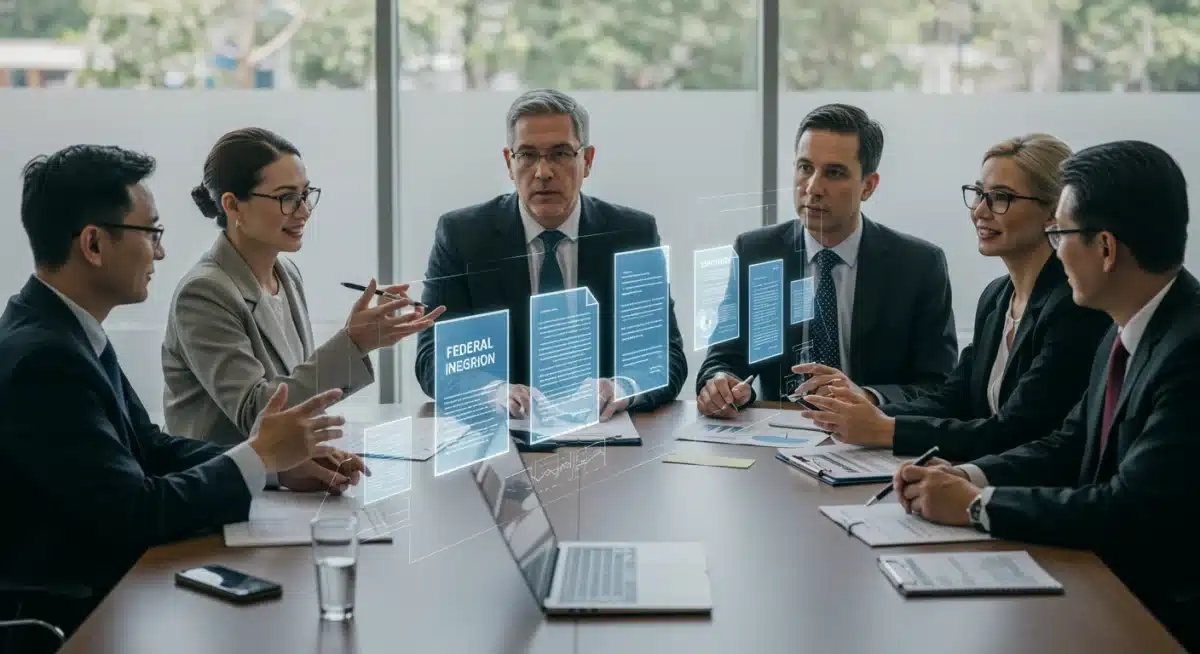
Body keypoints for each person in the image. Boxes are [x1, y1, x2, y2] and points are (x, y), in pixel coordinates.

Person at [0, 145, 366, 651]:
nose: (161, 252)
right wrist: (259, 457)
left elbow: (148, 447)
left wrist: (277, 469)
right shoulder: (43, 359)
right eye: (151, 234)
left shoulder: (62, 331)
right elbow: (136, 512)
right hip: (79, 618)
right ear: (92, 244)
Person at [895, 140, 1200, 650]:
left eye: (1060, 233)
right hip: (1099, 582)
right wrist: (968, 475)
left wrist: (976, 506)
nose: (1055, 250)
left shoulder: (1189, 353)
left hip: (1157, 617)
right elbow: (1066, 443)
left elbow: (1126, 509)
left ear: (1105, 248)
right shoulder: (1124, 329)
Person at [798, 134, 1111, 461]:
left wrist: (884, 428)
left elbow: (1017, 431)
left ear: (1053, 212)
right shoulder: (997, 298)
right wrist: (862, 406)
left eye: (1000, 197)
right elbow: (954, 400)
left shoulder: (1073, 306)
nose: (979, 211)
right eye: (979, 194)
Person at [163, 128, 445, 446]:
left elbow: (298, 397)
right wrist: (353, 344)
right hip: (225, 486)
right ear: (233, 206)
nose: (304, 211)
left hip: (281, 477)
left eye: (305, 195)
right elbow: (258, 414)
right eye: (286, 198)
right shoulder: (204, 293)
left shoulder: (286, 274)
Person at [415, 89, 687, 419]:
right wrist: (495, 392)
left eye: (560, 154)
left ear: (586, 161)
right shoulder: (463, 236)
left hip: (604, 434)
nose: (543, 172)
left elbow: (665, 355)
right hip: (505, 437)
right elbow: (434, 358)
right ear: (509, 162)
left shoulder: (633, 234)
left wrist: (622, 388)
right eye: (528, 155)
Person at [695, 103, 958, 417]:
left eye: (834, 173)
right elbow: (723, 358)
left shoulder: (918, 265)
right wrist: (721, 383)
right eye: (805, 167)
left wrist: (869, 398)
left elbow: (939, 384)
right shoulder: (757, 252)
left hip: (873, 441)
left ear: (868, 186)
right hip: (776, 434)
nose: (813, 188)